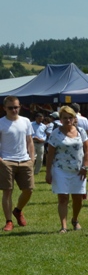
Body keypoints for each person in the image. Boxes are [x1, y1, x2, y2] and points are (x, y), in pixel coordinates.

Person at [44, 105, 88, 233]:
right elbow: (50, 155)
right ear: (60, 119)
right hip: (60, 169)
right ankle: (63, 226)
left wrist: (85, 166)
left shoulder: (81, 131)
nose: (68, 120)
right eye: (65, 118)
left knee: (78, 198)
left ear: (74, 118)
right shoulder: (55, 134)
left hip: (79, 170)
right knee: (63, 198)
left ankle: (75, 220)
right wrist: (48, 172)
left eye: (70, 117)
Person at [1, 96, 35, 232]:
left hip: (25, 160)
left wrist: (32, 159)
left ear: (20, 107)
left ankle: (18, 210)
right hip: (6, 161)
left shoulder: (26, 121)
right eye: (11, 108)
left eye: (16, 107)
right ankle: (8, 221)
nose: (14, 110)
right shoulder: (1, 123)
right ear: (4, 108)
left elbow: (30, 141)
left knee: (29, 190)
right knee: (7, 191)